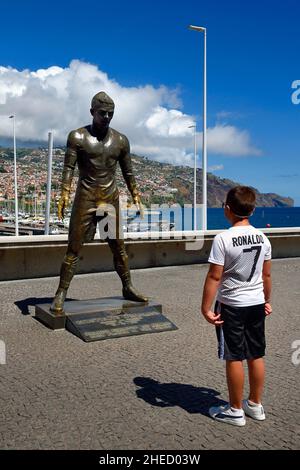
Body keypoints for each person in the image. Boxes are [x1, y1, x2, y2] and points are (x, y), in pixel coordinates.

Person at [50, 91, 148, 315]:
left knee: (118, 247)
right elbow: (68, 168)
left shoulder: (121, 140)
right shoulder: (77, 137)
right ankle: (61, 292)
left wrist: (136, 196)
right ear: (92, 111)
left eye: (110, 114)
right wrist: (64, 193)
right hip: (86, 197)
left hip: (109, 198)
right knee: (74, 248)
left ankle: (127, 287)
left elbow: (128, 172)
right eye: (102, 113)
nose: (106, 117)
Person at [201, 186, 272, 426]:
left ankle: (235, 410)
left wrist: (206, 308)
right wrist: (267, 301)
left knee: (234, 356)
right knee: (256, 354)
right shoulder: (263, 238)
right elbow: (266, 276)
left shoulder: (222, 239)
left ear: (227, 210)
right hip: (256, 303)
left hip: (231, 305)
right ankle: (255, 405)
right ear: (252, 210)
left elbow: (214, 277)